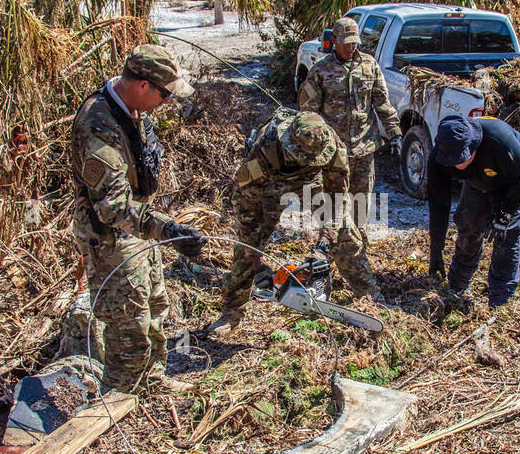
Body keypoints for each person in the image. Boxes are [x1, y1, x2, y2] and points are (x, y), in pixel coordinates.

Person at [70, 44, 206, 393]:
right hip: (112, 239)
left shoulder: (132, 110)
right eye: (164, 95)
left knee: (154, 310)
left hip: (139, 233)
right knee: (128, 329)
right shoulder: (97, 125)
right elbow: (113, 207)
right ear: (143, 85)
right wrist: (167, 229)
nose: (167, 103)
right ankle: (120, 402)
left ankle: (154, 384)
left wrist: (159, 230)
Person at [206, 110, 379, 336]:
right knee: (247, 248)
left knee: (345, 235)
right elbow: (245, 206)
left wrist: (323, 244)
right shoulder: (265, 149)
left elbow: (336, 198)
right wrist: (257, 259)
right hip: (271, 183)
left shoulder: (333, 146)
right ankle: (231, 314)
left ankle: (371, 298)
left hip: (312, 180)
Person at [427, 115, 520, 308]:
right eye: (452, 161)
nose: (458, 165)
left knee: (506, 235)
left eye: (462, 158)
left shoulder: (498, 140)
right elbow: (438, 207)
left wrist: (505, 214)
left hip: (515, 180)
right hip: (479, 181)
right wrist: (436, 253)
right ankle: (457, 285)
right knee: (468, 224)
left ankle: (501, 300)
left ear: (473, 144)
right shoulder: (438, 159)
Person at [298, 16, 401, 232]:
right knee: (331, 206)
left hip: (364, 149)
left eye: (354, 42)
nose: (350, 47)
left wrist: (395, 133)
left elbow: (382, 102)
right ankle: (327, 246)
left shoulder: (369, 65)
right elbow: (308, 114)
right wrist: (309, 148)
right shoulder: (320, 70)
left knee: (361, 205)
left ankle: (357, 248)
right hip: (334, 151)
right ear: (334, 40)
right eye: (345, 43)